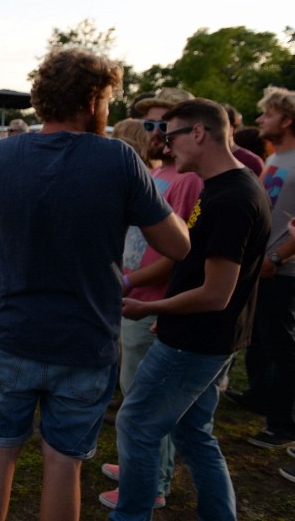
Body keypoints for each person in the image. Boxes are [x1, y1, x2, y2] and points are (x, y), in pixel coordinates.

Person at [0, 48, 190, 521]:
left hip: (13, 335)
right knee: (64, 464)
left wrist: (20, 215)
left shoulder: (4, 152)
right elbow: (178, 245)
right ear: (93, 101)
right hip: (85, 342)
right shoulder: (120, 160)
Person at [111, 98, 271, 519]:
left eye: (172, 134)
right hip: (210, 337)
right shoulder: (222, 188)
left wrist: (151, 309)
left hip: (196, 342)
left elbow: (216, 293)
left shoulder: (233, 199)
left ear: (198, 133)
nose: (164, 144)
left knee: (138, 425)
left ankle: (130, 514)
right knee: (194, 432)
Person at [100, 88, 204, 511]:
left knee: (148, 406)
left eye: (164, 124)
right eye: (150, 125)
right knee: (135, 396)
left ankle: (151, 486)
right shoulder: (159, 173)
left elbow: (183, 255)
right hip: (135, 297)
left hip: (150, 302)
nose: (157, 133)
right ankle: (137, 468)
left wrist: (128, 284)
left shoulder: (187, 180)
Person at [237, 87, 295, 451]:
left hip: (283, 271)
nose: (260, 120)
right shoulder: (277, 158)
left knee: (284, 347)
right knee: (262, 340)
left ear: (287, 120)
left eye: (267, 114)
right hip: (264, 268)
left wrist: (277, 259)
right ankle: (260, 398)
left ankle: (283, 424)